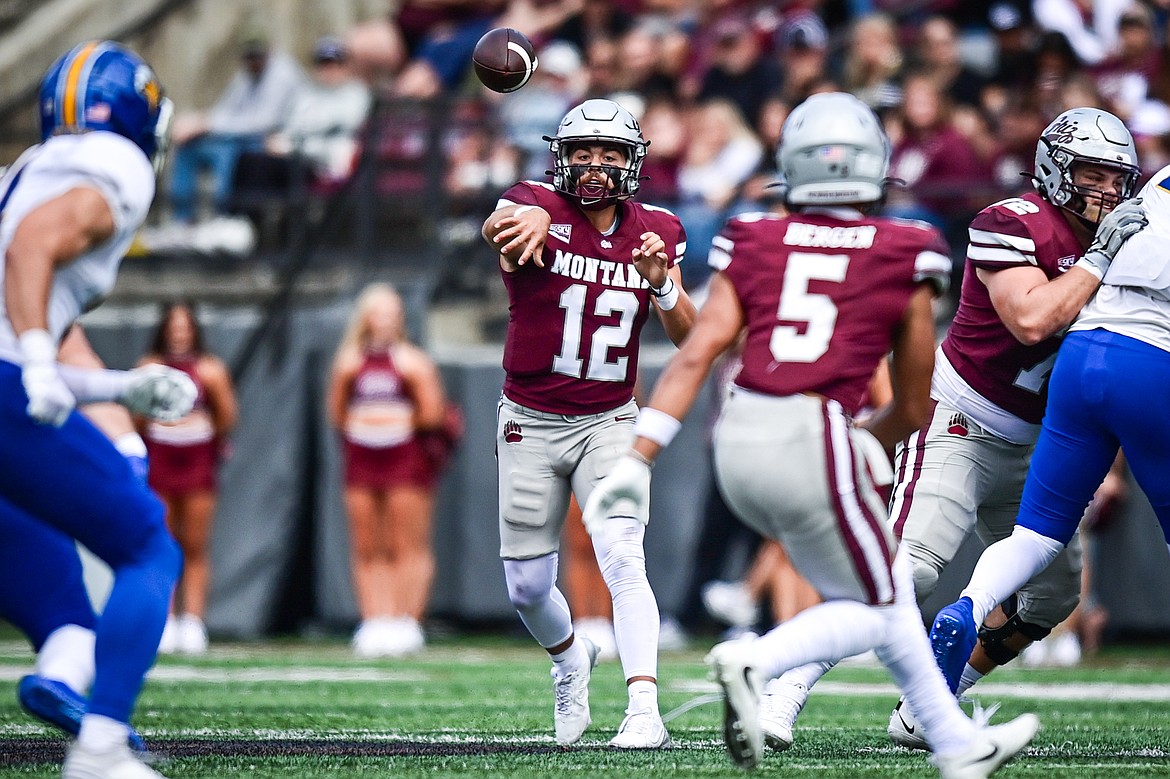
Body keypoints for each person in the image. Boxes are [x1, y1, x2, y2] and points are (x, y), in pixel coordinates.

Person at [583, 91, 1040, 777]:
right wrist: (869, 443)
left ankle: (958, 748)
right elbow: (913, 403)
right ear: (873, 168)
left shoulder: (753, 234)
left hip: (737, 436)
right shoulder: (907, 246)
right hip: (815, 431)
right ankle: (758, 659)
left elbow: (698, 349)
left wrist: (639, 456)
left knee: (882, 587)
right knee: (878, 602)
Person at [758, 105, 1146, 753]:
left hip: (1041, 444)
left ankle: (929, 701)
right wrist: (1102, 259)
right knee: (904, 572)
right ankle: (782, 687)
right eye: (1091, 173)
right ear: (1054, 169)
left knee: (1052, 598)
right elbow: (1030, 319)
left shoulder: (1127, 241)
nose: (1106, 190)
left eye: (1116, 177)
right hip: (960, 422)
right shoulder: (1011, 222)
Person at [0, 40, 200, 778]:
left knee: (56, 593)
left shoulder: (25, 168)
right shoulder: (118, 163)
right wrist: (40, 358)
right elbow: (30, 248)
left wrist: (119, 388)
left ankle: (68, 680)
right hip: (6, 385)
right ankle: (102, 746)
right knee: (148, 546)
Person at [480, 97, 696, 749]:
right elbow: (503, 219)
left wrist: (662, 286)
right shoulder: (535, 203)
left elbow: (691, 336)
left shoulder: (657, 228)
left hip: (610, 417)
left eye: (608, 154)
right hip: (530, 418)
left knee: (623, 556)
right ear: (560, 157)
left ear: (632, 163)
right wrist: (517, 224)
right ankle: (571, 656)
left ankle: (643, 708)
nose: (594, 165)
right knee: (526, 587)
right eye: (581, 152)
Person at [930, 155, 1170, 687]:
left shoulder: (1155, 184)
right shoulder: (1017, 220)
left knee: (1036, 535)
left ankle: (968, 607)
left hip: (1081, 358)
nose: (1108, 190)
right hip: (1151, 360)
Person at [4, 326, 151, 753]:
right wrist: (129, 449)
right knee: (150, 552)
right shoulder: (31, 279)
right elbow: (72, 355)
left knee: (61, 609)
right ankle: (65, 683)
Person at [327, 282, 447, 658]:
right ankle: (375, 619)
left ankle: (406, 620)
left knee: (407, 543)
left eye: (392, 312)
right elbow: (337, 413)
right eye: (377, 312)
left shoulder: (412, 361)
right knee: (367, 544)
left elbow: (432, 414)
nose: (385, 320)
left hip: (405, 459)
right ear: (364, 318)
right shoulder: (348, 361)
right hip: (363, 459)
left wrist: (392, 421)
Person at [138, 302, 238, 656]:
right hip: (161, 461)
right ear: (164, 329)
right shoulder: (148, 368)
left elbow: (226, 416)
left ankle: (193, 621)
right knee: (163, 541)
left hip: (196, 462)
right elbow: (136, 416)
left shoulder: (209, 370)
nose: (180, 333)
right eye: (173, 326)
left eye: (186, 326)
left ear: (195, 329)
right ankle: (163, 621)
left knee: (195, 544)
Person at [166, 28, 304, 223]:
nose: (253, 60)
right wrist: (197, 121)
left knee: (226, 151)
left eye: (257, 55)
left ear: (269, 51)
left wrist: (206, 124)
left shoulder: (283, 73)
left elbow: (263, 122)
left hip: (273, 143)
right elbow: (225, 110)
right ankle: (181, 221)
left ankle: (224, 218)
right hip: (241, 139)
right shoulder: (247, 74)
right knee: (189, 148)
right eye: (248, 56)